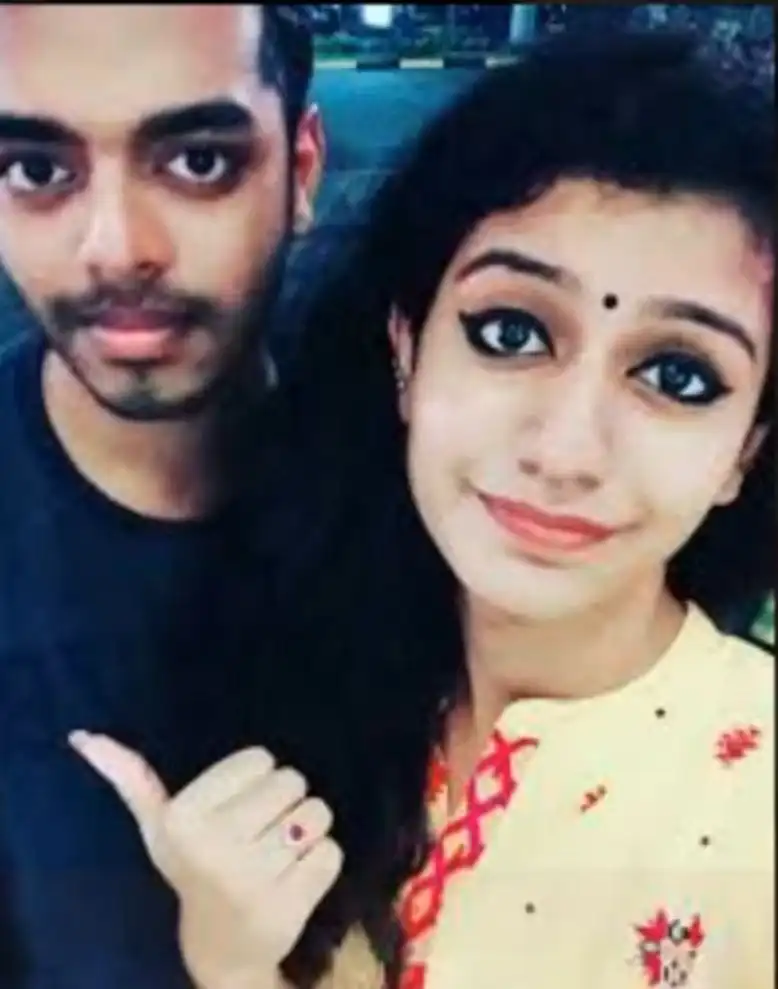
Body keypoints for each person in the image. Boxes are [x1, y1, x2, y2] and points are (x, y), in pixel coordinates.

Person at [74, 28, 774, 989]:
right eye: (511, 331)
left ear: (747, 451)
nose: (565, 450)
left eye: (678, 376)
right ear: (406, 349)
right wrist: (229, 954)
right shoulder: (320, 676)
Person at [0, 6, 325, 989]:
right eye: (38, 170)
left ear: (302, 171)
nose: (116, 249)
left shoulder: (443, 486)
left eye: (197, 161)